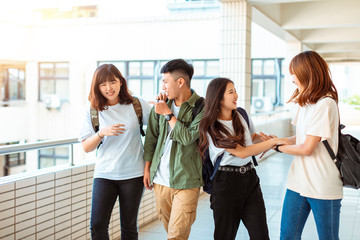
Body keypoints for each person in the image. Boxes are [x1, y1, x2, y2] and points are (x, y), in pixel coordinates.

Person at [197, 77, 292, 240]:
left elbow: (250, 137)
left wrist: (262, 139)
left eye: (235, 91)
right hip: (226, 183)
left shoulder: (240, 114)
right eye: (231, 92)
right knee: (224, 236)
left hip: (250, 179)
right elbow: (241, 152)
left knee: (261, 235)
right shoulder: (211, 126)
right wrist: (273, 142)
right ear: (218, 98)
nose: (236, 95)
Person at [265, 51, 342, 240]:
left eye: (294, 72)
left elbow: (307, 148)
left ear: (308, 73)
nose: (292, 78)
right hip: (297, 182)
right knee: (288, 236)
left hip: (323, 185)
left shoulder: (326, 103)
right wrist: (276, 140)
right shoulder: (305, 102)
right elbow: (300, 137)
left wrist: (276, 148)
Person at [79, 64, 151, 240]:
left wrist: (150, 166)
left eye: (112, 82)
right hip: (104, 174)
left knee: (128, 227)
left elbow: (158, 130)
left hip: (133, 174)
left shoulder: (137, 104)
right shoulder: (93, 111)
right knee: (97, 225)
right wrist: (101, 133)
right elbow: (86, 147)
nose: (108, 88)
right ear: (97, 87)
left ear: (121, 82)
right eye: (103, 84)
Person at [143, 59, 204, 240]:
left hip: (187, 181)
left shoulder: (202, 106)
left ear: (180, 82)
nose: (163, 86)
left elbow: (187, 138)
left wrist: (168, 114)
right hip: (160, 181)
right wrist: (147, 169)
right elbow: (151, 138)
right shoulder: (161, 104)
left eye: (165, 81)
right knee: (172, 232)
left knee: (176, 236)